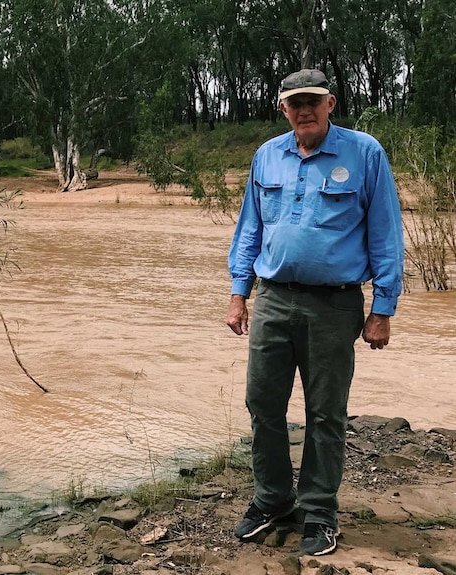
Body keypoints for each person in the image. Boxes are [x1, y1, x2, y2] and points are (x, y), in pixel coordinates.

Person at [225, 68, 404, 556]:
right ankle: (272, 501)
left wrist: (382, 307)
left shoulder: (364, 153)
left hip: (335, 303)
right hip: (272, 299)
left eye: (312, 101)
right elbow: (249, 230)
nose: (303, 110)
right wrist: (239, 292)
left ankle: (320, 510)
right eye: (294, 103)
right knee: (263, 405)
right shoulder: (268, 155)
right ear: (283, 108)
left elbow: (386, 233)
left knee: (325, 413)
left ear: (330, 103)